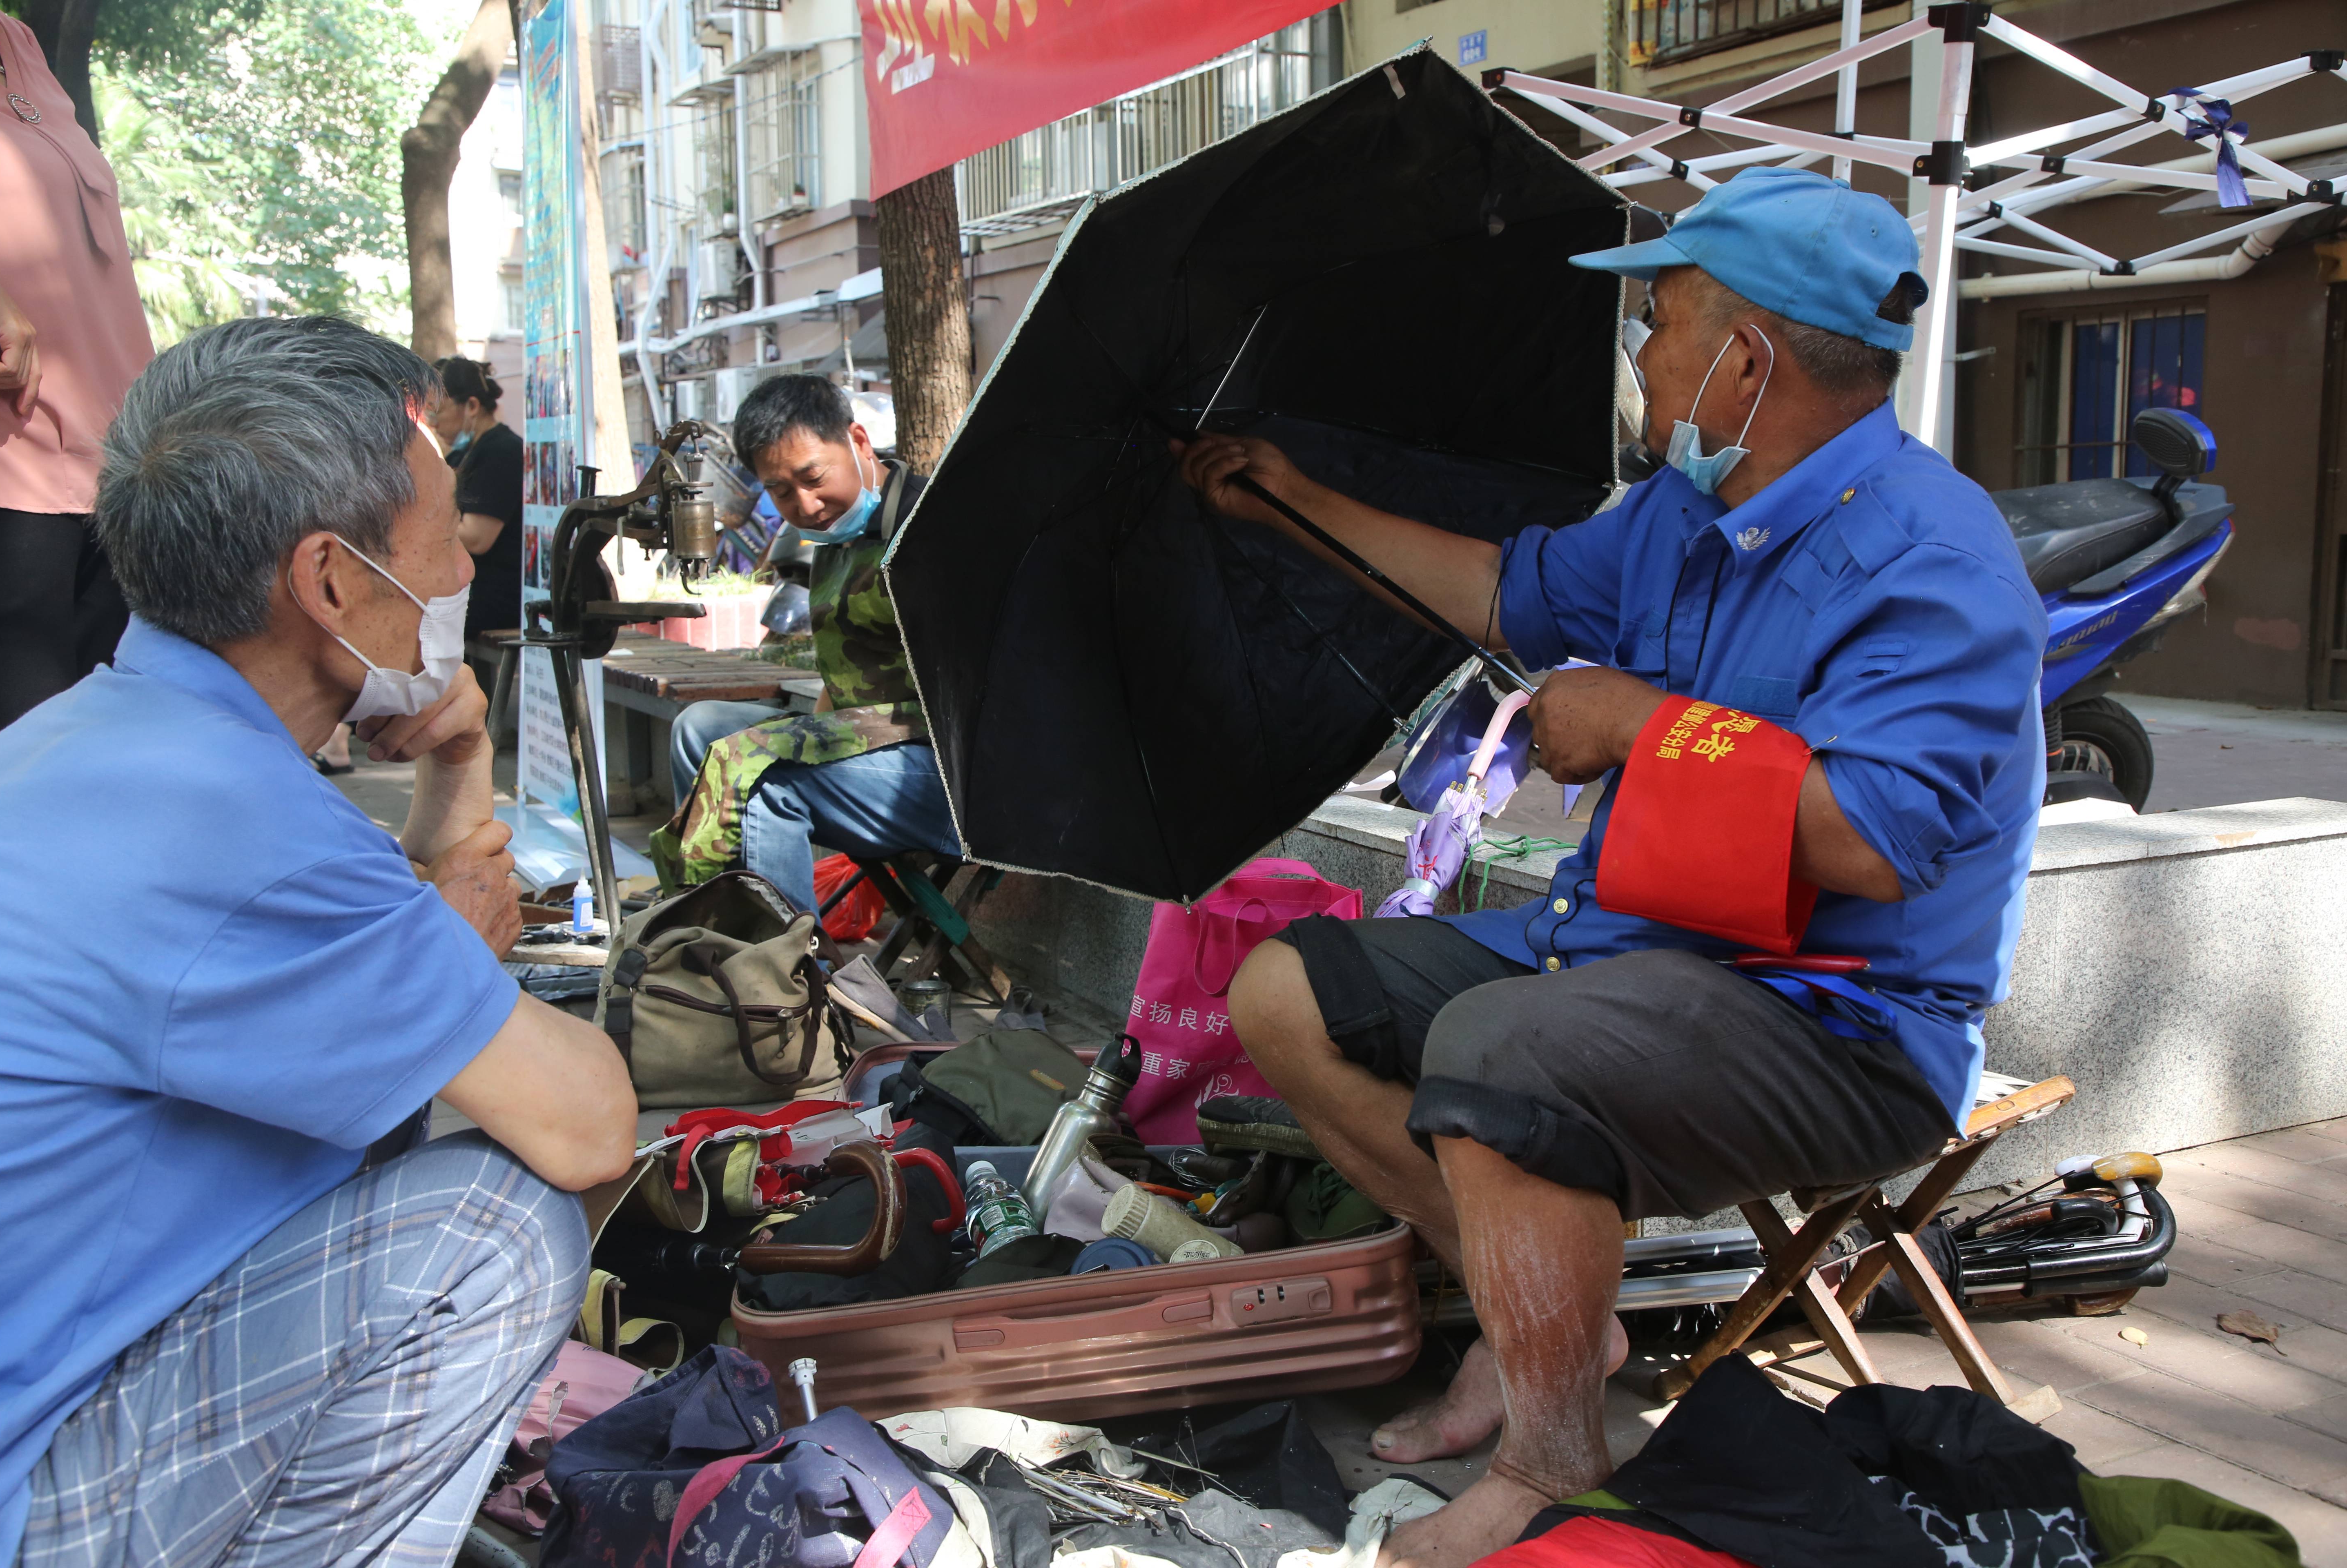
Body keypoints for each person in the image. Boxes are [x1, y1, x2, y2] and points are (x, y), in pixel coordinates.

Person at [1174, 168, 2046, 1566]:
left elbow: (1878, 843)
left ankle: (1551, 1461)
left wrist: (1646, 726)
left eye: (1660, 321)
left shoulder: (1934, 557)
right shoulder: (1680, 513)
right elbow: (1507, 592)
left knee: (1501, 1049)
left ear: (1746, 362)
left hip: (1836, 1019)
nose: (1641, 356)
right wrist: (1291, 505)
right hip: (1628, 953)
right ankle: (1544, 1342)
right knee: (1287, 992)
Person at [0, 316, 639, 1568]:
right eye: (441, 535)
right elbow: (586, 1121)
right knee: (490, 1228)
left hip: (55, 1378)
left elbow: (372, 1023)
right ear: (331, 579)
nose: (458, 574)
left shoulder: (85, 742)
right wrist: (450, 937)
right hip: (37, 1490)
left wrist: (457, 767)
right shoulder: (243, 829)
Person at [651, 375, 959, 913]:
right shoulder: (840, 533)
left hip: (952, 775)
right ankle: (719, 923)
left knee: (767, 783)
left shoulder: (933, 533)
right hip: (868, 746)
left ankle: (787, 979)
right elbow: (843, 676)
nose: (806, 504)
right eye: (780, 491)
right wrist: (811, 731)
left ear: (859, 442)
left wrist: (798, 745)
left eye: (813, 477)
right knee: (699, 732)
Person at [0, 11, 156, 733]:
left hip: (114, 451)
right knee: (24, 731)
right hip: (13, 445)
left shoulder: (19, 42)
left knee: (101, 723)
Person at [432, 356, 525, 639]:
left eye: (440, 411)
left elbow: (476, 538)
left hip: (496, 595)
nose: (435, 423)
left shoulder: (503, 450)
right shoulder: (464, 453)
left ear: (472, 406)